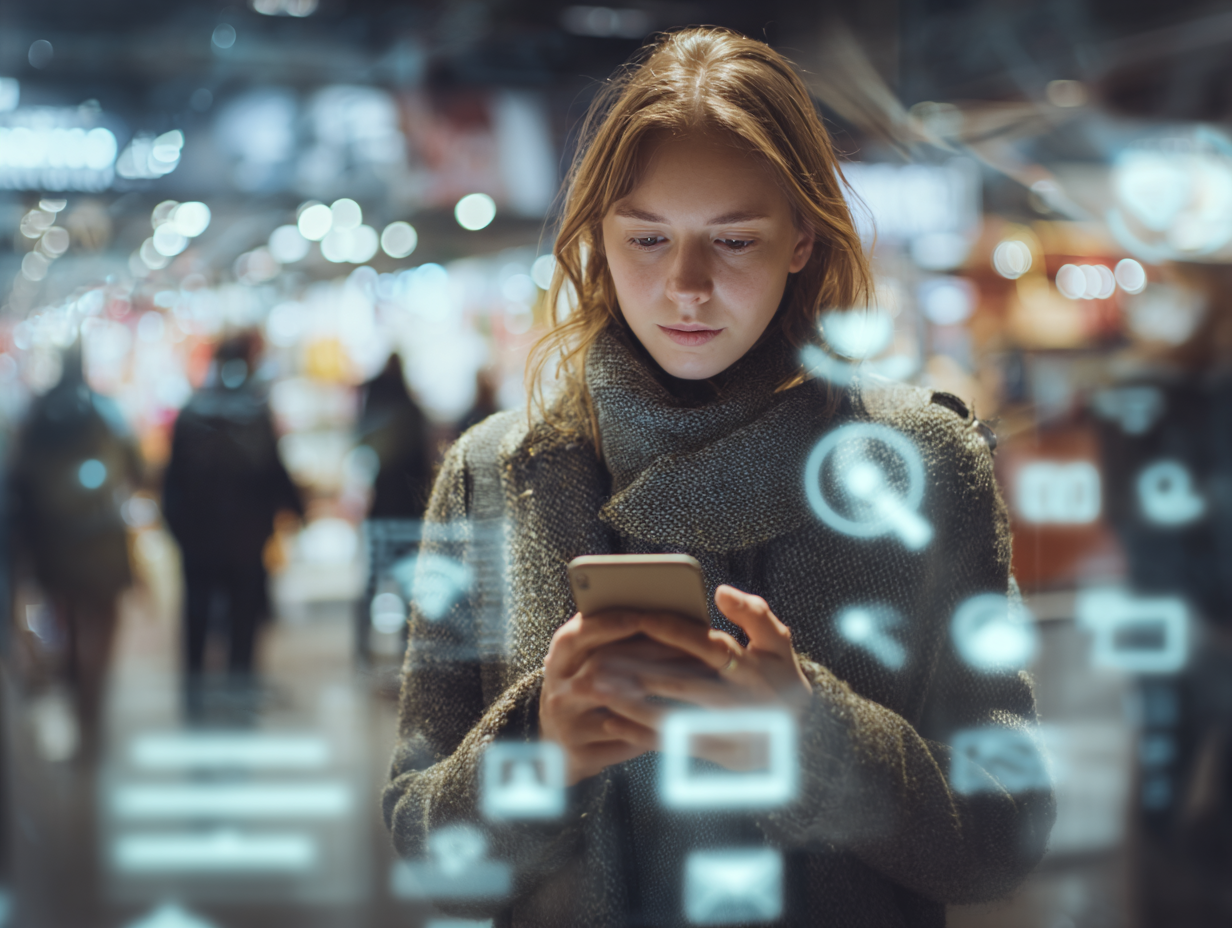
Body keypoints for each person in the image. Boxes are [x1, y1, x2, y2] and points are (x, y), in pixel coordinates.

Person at [384, 27, 1054, 927]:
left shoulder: (923, 469)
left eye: (733, 241)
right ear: (596, 243)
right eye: (648, 238)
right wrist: (539, 750)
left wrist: (814, 740)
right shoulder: (497, 475)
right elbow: (423, 845)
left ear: (802, 240)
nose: (686, 286)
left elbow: (1002, 835)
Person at [8, 345, 141, 760]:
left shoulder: (34, 414)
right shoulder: (105, 409)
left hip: (52, 545)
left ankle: (75, 693)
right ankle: (91, 710)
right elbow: (135, 466)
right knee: (101, 623)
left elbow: (16, 483)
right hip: (101, 539)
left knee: (65, 622)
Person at [162, 332, 302, 701]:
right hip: (246, 536)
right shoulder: (256, 412)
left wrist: (177, 530)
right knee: (243, 619)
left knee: (197, 614)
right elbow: (274, 471)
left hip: (198, 537)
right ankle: (238, 691)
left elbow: (171, 480)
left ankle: (194, 694)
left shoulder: (191, 411)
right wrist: (294, 511)